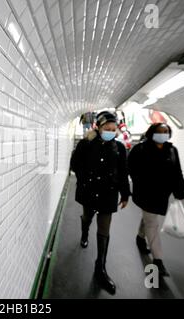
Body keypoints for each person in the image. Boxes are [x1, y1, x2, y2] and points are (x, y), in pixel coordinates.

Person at [70, 111, 131, 294]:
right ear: (99, 127)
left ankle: (100, 268)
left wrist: (126, 194)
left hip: (108, 194)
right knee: (88, 217)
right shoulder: (86, 144)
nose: (111, 131)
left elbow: (122, 172)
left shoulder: (119, 148)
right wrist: (84, 180)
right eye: (107, 128)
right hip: (89, 192)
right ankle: (84, 231)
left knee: (104, 229)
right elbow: (75, 163)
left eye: (113, 129)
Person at [128, 123, 184, 276]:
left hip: (162, 194)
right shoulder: (140, 149)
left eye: (166, 131)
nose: (163, 134)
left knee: (149, 218)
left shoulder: (172, 150)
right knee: (152, 223)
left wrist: (180, 191)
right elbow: (130, 168)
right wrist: (139, 182)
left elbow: (177, 171)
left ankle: (140, 238)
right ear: (152, 133)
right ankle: (158, 260)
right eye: (159, 131)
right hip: (145, 193)